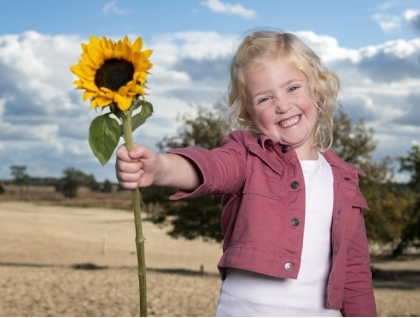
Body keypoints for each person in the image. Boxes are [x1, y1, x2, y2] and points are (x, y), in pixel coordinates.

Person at [115, 29, 377, 317]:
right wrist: (161, 168)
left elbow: (355, 276)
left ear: (316, 89)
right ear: (248, 114)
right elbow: (213, 168)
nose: (282, 105)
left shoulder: (345, 182)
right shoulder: (247, 155)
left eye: (292, 88)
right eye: (265, 99)